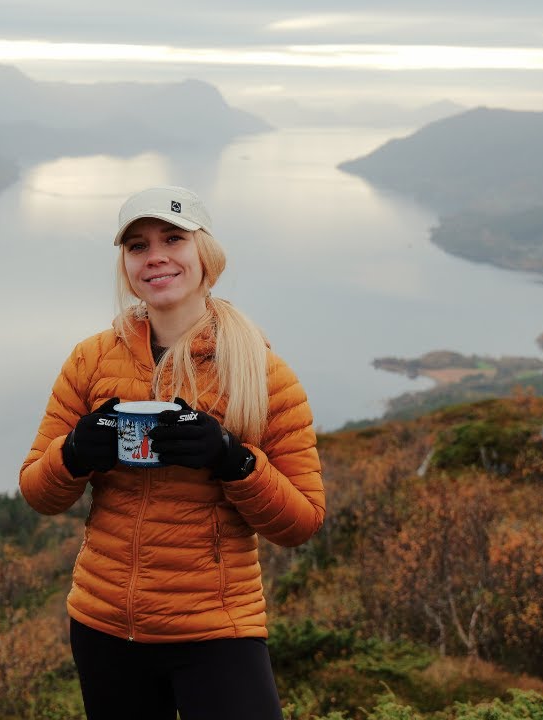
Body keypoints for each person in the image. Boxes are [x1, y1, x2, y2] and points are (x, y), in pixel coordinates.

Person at [19, 185, 325, 720]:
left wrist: (233, 459)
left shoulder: (262, 373)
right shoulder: (91, 360)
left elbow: (301, 521)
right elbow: (37, 493)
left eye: (173, 239)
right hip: (104, 624)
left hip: (217, 627)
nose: (155, 255)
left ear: (204, 254)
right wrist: (74, 452)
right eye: (137, 246)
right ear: (126, 265)